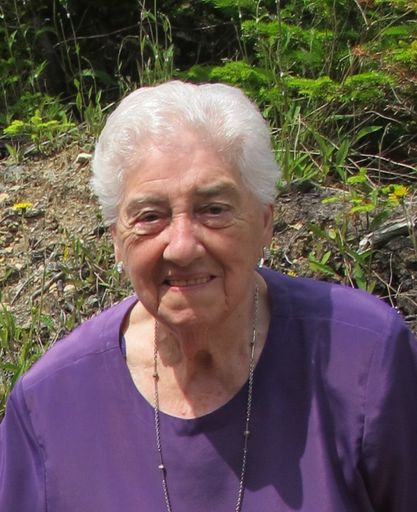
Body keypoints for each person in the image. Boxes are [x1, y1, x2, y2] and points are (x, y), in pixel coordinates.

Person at [1, 80, 416, 512]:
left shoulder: (365, 359)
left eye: (214, 209)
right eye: (150, 216)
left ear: (265, 222)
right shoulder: (50, 406)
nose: (182, 247)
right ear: (117, 241)